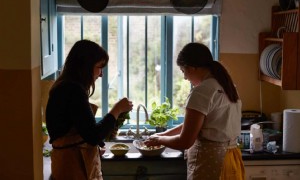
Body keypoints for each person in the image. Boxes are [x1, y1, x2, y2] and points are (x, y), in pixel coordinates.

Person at [144, 42, 245, 180]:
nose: (185, 77)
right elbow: (195, 123)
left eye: (183, 71)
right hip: (231, 158)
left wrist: (160, 139)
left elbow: (185, 141)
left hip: (212, 163)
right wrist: (165, 134)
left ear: (191, 68)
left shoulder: (202, 91)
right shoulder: (226, 85)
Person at [46, 39, 133, 180]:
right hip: (72, 167)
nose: (101, 74)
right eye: (99, 67)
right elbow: (93, 136)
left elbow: (80, 129)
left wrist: (90, 146)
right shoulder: (73, 90)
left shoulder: (65, 87)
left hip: (67, 163)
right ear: (85, 65)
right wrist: (117, 110)